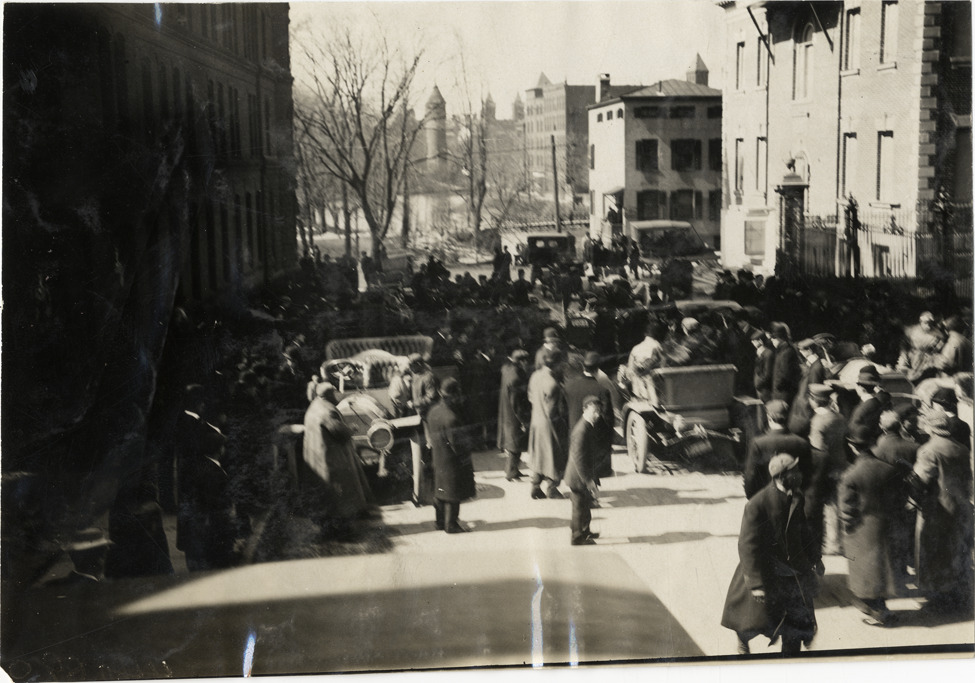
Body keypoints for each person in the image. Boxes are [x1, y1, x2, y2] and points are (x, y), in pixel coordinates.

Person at [721, 454, 824, 656]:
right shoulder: (757, 504)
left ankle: (790, 660)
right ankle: (742, 639)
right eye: (794, 471)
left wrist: (815, 558)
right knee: (753, 621)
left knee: (795, 623)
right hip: (766, 569)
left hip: (793, 570)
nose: (799, 474)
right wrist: (756, 584)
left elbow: (804, 531)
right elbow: (747, 545)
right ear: (781, 476)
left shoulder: (797, 496)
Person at [909, 408, 974, 610]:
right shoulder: (962, 449)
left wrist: (911, 498)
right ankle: (956, 595)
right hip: (960, 507)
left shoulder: (928, 450)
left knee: (933, 553)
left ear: (930, 427)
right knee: (955, 552)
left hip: (936, 509)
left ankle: (937, 598)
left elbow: (920, 481)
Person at [839, 424, 902, 626]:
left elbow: (846, 508)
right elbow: (899, 499)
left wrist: (847, 527)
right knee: (882, 569)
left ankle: (877, 611)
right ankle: (878, 606)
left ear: (852, 446)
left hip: (861, 528)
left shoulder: (851, 474)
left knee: (866, 572)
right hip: (886, 524)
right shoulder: (889, 469)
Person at [302, 382, 373, 528]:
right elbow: (340, 433)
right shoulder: (327, 410)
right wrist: (352, 429)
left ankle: (334, 518)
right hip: (330, 455)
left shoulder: (314, 405)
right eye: (334, 393)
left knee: (326, 489)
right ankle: (344, 520)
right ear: (329, 394)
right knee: (343, 486)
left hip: (316, 453)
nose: (336, 396)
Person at [872, 410, 919, 590]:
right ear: (900, 425)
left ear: (881, 427)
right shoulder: (913, 447)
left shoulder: (877, 448)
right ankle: (903, 571)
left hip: (884, 499)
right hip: (906, 498)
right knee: (905, 536)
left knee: (888, 537)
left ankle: (892, 576)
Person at [427, 378, 477, 534]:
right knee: (453, 492)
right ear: (454, 395)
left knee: (440, 491)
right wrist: (466, 457)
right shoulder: (451, 418)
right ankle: (451, 524)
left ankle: (439, 522)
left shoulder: (433, 411)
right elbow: (458, 445)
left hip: (438, 457)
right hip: (452, 461)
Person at [805, 383, 848, 556]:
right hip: (841, 464)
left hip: (825, 468)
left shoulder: (817, 422)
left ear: (813, 400)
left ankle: (833, 543)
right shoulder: (839, 417)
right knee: (837, 504)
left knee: (828, 506)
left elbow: (818, 451)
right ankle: (840, 541)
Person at [742, 400, 811, 500]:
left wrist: (751, 497)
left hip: (767, 497)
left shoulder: (758, 443)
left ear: (769, 417)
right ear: (788, 418)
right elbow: (807, 473)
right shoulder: (802, 442)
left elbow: (750, 475)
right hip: (793, 498)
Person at [564, 352, 614, 483]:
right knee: (590, 470)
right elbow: (608, 420)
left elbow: (563, 412)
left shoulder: (568, 387)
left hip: (573, 433)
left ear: (583, 367)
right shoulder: (602, 390)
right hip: (593, 438)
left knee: (577, 465)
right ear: (597, 369)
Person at [527, 348, 569, 500]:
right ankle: (552, 488)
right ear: (556, 364)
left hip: (536, 421)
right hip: (549, 425)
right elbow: (552, 412)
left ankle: (535, 486)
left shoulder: (535, 375)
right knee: (555, 457)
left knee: (539, 456)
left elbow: (530, 397)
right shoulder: (553, 384)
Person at [564, 396, 603, 546]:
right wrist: (588, 481)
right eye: (594, 411)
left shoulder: (588, 426)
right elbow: (579, 460)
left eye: (599, 411)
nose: (597, 415)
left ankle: (585, 531)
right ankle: (576, 537)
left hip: (581, 475)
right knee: (579, 507)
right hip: (578, 477)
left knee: (585, 505)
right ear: (585, 410)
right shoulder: (581, 430)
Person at [497, 349, 531, 481]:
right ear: (521, 361)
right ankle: (511, 472)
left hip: (507, 413)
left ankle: (513, 470)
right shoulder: (516, 378)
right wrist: (523, 420)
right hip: (514, 416)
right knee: (515, 445)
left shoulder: (507, 370)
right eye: (525, 361)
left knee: (514, 443)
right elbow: (516, 404)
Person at [787, 339, 828, 438]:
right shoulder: (812, 364)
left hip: (806, 406)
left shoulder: (816, 367)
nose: (801, 352)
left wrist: (806, 404)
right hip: (802, 403)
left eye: (802, 350)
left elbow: (813, 389)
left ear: (809, 350)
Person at [896, 311, 945, 383]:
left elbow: (939, 350)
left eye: (930, 323)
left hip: (928, 361)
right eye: (926, 323)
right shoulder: (912, 331)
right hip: (912, 358)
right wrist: (903, 357)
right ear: (920, 322)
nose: (928, 325)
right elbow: (904, 344)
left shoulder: (938, 335)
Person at [624, 320, 667, 401]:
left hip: (638, 388)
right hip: (655, 387)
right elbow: (663, 365)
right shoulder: (658, 346)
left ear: (645, 333)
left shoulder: (635, 348)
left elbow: (630, 371)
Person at [847, 365, 888, 444]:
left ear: (861, 388)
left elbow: (852, 428)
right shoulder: (876, 402)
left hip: (863, 442)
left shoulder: (862, 408)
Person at [410, 353, 440, 450]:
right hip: (422, 414)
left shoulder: (428, 377)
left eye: (412, 365)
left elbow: (431, 398)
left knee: (433, 441)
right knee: (427, 441)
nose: (410, 368)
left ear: (419, 364)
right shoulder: (416, 375)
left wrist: (414, 403)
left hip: (430, 414)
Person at [770, 322, 801, 408]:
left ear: (779, 338)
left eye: (773, 338)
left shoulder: (786, 352)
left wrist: (777, 386)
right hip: (780, 392)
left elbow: (785, 374)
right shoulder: (783, 350)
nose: (772, 341)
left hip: (783, 394)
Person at [751, 330, 775, 402]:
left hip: (765, 389)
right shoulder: (760, 352)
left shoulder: (768, 354)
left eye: (754, 341)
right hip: (760, 388)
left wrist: (758, 384)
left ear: (760, 341)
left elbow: (767, 374)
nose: (752, 343)